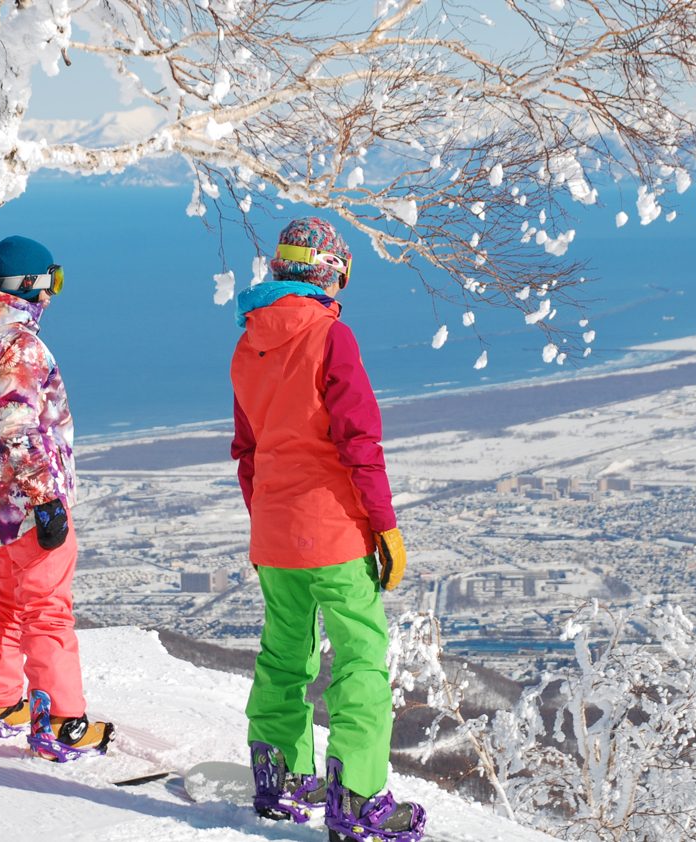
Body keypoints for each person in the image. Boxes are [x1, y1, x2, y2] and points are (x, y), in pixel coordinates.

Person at [230, 218, 426, 842]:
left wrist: (266, 520)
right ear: (330, 271)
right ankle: (358, 798)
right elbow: (359, 442)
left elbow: (248, 452)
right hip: (334, 534)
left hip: (275, 535)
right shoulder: (330, 337)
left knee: (285, 654)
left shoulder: (248, 343)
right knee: (362, 659)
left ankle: (280, 778)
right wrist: (385, 528)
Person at [0, 234, 112, 763]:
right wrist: (45, 500)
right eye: (52, 281)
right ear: (29, 285)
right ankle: (61, 722)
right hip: (29, 503)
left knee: (9, 604)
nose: (53, 294)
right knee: (48, 611)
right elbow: (18, 427)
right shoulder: (20, 344)